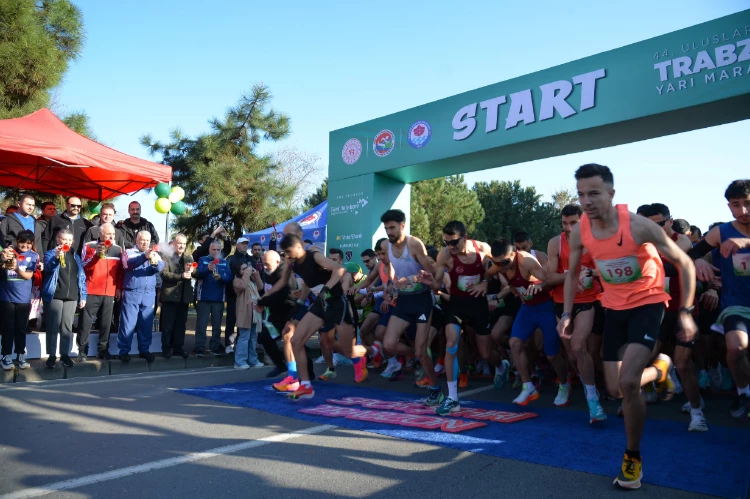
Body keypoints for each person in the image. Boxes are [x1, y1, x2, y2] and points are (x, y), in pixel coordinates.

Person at [558, 163, 697, 490]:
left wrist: (687, 311)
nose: (587, 201)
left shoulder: (639, 227)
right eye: (581, 194)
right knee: (617, 390)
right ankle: (661, 369)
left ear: (611, 193)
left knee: (629, 380)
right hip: (614, 307)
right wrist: (566, 312)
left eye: (594, 193)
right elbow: (571, 274)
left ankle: (632, 459)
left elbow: (686, 263)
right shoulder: (580, 231)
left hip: (648, 303)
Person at [273, 234, 371, 400]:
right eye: (285, 254)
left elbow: (340, 270)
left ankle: (373, 350)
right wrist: (300, 303)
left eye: (289, 252)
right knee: (296, 340)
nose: (287, 257)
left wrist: (326, 289)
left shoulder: (314, 256)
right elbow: (307, 284)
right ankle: (306, 386)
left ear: (298, 247)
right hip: (320, 305)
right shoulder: (295, 264)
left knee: (349, 350)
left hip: (338, 304)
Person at [688, 179, 750, 420]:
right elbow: (691, 252)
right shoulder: (721, 232)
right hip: (736, 304)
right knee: (735, 348)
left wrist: (745, 243)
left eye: (748, 204)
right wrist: (699, 259)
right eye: (737, 205)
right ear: (729, 207)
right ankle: (744, 393)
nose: (743, 211)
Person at [426, 220, 500, 415]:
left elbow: (501, 265)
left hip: (478, 304)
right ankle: (453, 398)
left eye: (454, 243)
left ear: (465, 238)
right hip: (457, 304)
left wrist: (485, 281)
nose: (450, 247)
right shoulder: (445, 255)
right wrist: (430, 282)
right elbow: (437, 285)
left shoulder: (482, 248)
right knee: (451, 345)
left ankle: (501, 366)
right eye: (446, 242)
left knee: (485, 353)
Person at [644, 203, 706, 431]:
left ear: (670, 221)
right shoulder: (647, 245)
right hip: (659, 312)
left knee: (683, 363)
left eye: (660, 224)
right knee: (644, 354)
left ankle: (697, 412)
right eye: (650, 225)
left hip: (684, 313)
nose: (656, 229)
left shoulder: (682, 241)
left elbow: (683, 247)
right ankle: (638, 398)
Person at [487, 238, 570, 406]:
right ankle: (528, 386)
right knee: (514, 343)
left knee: (552, 354)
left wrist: (539, 285)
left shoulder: (526, 260)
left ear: (513, 254)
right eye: (497, 263)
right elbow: (489, 275)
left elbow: (550, 280)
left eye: (505, 262)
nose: (501, 266)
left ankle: (564, 384)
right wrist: (485, 284)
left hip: (546, 306)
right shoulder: (499, 264)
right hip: (528, 308)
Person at [546, 204, 607, 423]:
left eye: (573, 222)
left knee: (580, 346)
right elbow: (550, 277)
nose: (568, 227)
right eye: (564, 223)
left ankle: (593, 400)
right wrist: (573, 273)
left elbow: (605, 270)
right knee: (572, 355)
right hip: (561, 303)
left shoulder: (596, 239)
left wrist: (589, 272)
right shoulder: (556, 243)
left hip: (588, 301)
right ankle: (585, 385)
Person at [379, 209, 441, 406]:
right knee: (388, 344)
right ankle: (418, 355)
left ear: (402, 226)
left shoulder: (414, 244)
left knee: (423, 352)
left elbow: (430, 272)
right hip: (404, 300)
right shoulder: (385, 245)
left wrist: (412, 278)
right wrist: (391, 282)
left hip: (422, 299)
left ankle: (436, 389)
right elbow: (388, 265)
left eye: (392, 228)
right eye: (386, 228)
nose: (389, 232)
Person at [257, 250, 311, 379]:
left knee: (295, 343)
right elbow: (268, 292)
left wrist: (262, 301)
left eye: (267, 264)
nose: (264, 267)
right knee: (265, 338)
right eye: (263, 264)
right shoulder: (270, 273)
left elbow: (283, 294)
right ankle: (281, 365)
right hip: (275, 314)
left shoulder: (284, 272)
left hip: (289, 313)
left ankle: (307, 373)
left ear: (277, 262)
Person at [42, 229, 87, 368]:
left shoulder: (75, 256)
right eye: (64, 239)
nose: (66, 242)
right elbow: (48, 268)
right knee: (53, 326)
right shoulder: (51, 253)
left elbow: (82, 277)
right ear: (58, 239)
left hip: (72, 296)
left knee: (67, 327)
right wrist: (56, 257)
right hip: (55, 295)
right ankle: (51, 355)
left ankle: (65, 355)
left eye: (69, 239)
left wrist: (83, 296)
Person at [117, 231, 164, 363]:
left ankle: (144, 350)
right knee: (128, 324)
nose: (145, 243)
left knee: (146, 324)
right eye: (142, 240)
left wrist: (154, 262)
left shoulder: (154, 253)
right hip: (132, 292)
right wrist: (144, 256)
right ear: (137, 240)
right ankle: (124, 351)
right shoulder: (129, 252)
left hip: (149, 293)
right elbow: (129, 264)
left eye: (147, 241)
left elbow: (161, 267)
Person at [78, 223, 123, 360]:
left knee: (106, 323)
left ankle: (103, 350)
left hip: (109, 291)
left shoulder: (118, 249)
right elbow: (84, 266)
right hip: (92, 289)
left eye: (113, 234)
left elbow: (121, 271)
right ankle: (82, 350)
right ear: (100, 234)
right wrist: (97, 255)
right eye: (108, 234)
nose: (111, 236)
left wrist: (119, 287)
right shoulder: (89, 246)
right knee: (85, 322)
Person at [0, 230, 39, 370]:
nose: (25, 246)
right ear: (17, 241)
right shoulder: (8, 252)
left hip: (23, 298)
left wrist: (16, 268)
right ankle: (5, 356)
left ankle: (21, 355)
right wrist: (3, 261)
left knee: (20, 329)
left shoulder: (34, 256)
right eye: (22, 242)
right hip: (6, 297)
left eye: (28, 243)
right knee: (7, 328)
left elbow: (28, 276)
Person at [194, 240, 232, 356]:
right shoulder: (203, 260)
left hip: (219, 298)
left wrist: (221, 278)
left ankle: (214, 347)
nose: (215, 252)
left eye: (218, 250)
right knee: (201, 325)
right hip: (204, 297)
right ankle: (200, 348)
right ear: (209, 250)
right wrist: (207, 270)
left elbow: (230, 277)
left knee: (217, 326)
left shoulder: (224, 262)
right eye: (213, 249)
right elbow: (198, 274)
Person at [159, 234, 193, 359]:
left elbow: (196, 273)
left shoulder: (188, 258)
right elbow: (164, 273)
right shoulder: (166, 257)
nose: (182, 246)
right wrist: (181, 276)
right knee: (168, 325)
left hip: (184, 297)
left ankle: (178, 347)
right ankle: (166, 348)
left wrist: (193, 271)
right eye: (179, 243)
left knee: (181, 324)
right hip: (170, 296)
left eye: (184, 244)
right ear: (173, 244)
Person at [232, 262, 266, 369]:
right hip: (245, 313)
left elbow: (261, 287)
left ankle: (253, 360)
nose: (247, 270)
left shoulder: (252, 281)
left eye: (247, 268)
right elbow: (242, 286)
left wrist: (256, 275)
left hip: (255, 313)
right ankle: (240, 362)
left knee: (253, 338)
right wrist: (247, 273)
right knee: (244, 337)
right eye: (243, 269)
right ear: (239, 272)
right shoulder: (237, 281)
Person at [225, 237, 255, 352]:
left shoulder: (250, 259)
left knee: (244, 320)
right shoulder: (231, 258)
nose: (245, 245)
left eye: (246, 244)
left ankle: (240, 344)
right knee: (231, 319)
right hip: (233, 294)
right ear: (237, 245)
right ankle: (229, 344)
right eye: (242, 243)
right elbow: (228, 276)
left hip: (247, 294)